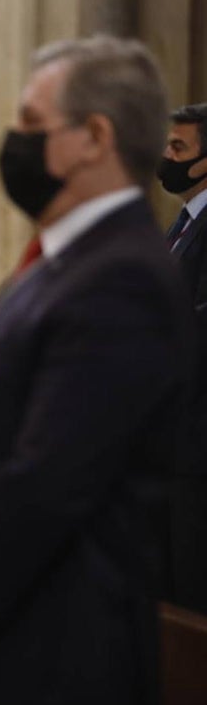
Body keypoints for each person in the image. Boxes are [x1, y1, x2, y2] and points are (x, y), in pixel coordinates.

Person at [0, 36, 193, 705]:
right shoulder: (56, 262)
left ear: (94, 137)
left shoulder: (124, 278)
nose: (13, 142)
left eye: (31, 123)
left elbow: (46, 480)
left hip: (62, 657)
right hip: (9, 642)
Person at [157, 102, 207, 614]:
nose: (166, 156)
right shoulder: (185, 221)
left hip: (197, 443)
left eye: (178, 148)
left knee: (191, 588)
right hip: (170, 438)